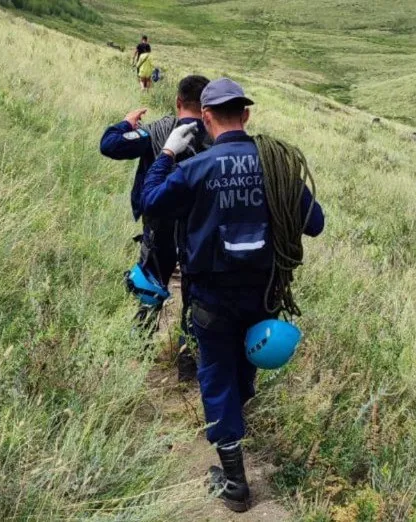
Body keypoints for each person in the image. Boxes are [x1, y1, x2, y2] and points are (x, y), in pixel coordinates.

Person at [140, 78, 324, 512]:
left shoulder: (195, 167)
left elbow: (152, 202)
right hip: (264, 297)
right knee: (242, 370)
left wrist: (167, 152)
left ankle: (236, 481)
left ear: (205, 118)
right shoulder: (277, 166)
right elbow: (314, 224)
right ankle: (236, 425)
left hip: (211, 298)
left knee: (217, 375)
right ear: (246, 115)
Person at [99, 75, 212, 381]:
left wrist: (126, 123)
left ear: (178, 102)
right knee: (196, 298)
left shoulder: (157, 131)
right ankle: (188, 364)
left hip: (159, 228)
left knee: (150, 288)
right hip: (197, 233)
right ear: (206, 108)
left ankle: (138, 352)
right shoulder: (216, 138)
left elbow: (109, 146)